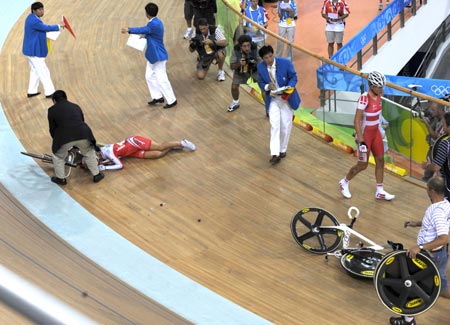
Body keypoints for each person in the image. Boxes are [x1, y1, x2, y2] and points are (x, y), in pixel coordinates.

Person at [389, 177, 450, 325]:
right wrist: (418, 223)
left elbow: (444, 238)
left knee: (412, 286)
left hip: (431, 256)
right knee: (440, 286)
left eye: (427, 188)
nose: (426, 191)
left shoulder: (436, 212)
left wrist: (420, 247)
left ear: (432, 191)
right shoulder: (446, 203)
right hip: (440, 254)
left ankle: (409, 320)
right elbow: (438, 224)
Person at [338, 71, 395, 200]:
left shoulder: (379, 95)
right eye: (379, 87)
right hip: (365, 136)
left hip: (375, 134)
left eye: (382, 87)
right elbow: (356, 120)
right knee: (362, 165)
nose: (381, 89)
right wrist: (361, 140)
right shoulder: (364, 98)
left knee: (380, 161)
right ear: (371, 86)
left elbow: (377, 116)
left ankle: (380, 190)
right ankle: (344, 182)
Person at [121, 3, 177, 109]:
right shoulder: (156, 22)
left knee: (162, 79)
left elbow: (144, 29)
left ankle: (172, 100)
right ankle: (158, 96)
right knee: (149, 76)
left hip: (158, 56)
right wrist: (145, 35)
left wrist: (129, 30)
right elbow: (149, 32)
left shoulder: (153, 24)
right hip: (152, 56)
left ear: (147, 13)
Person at [47, 90, 104, 185]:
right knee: (89, 152)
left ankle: (61, 179)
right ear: (66, 97)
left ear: (54, 100)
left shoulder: (51, 110)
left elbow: (52, 129)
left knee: (57, 156)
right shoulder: (75, 106)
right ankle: (97, 175)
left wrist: (57, 142)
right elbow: (81, 120)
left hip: (64, 137)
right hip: (83, 133)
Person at [257, 45, 301, 165]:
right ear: (263, 59)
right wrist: (266, 86)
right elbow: (260, 82)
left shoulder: (285, 63)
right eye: (266, 58)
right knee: (274, 125)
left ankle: (283, 149)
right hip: (273, 99)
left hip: (286, 98)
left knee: (286, 126)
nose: (269, 59)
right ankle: (275, 153)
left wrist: (290, 87)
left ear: (273, 54)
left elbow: (294, 77)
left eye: (271, 56)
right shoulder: (260, 67)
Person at [22, 2, 65, 98]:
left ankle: (32, 91)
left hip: (30, 50)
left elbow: (42, 29)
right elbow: (46, 28)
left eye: (42, 9)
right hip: (34, 51)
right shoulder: (34, 21)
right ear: (34, 10)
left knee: (35, 71)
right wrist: (59, 26)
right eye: (40, 10)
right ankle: (50, 92)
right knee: (43, 71)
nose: (42, 11)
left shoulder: (31, 18)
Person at [98, 136, 196, 170]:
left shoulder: (109, 153)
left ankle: (183, 142)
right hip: (131, 151)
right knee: (158, 155)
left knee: (160, 147)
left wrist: (105, 168)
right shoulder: (103, 152)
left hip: (135, 142)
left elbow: (120, 165)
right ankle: (172, 147)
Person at [228, 35, 260, 112]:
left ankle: (268, 108)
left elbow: (261, 62)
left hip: (255, 69)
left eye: (248, 45)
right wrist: (239, 63)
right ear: (240, 46)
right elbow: (232, 66)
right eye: (244, 46)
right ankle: (235, 102)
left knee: (263, 86)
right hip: (241, 70)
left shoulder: (255, 48)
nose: (247, 48)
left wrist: (254, 62)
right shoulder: (235, 50)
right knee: (234, 86)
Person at [423, 112, 450, 199]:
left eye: (444, 125)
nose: (443, 127)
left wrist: (426, 166)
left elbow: (435, 167)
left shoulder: (445, 144)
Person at [421, 102, 445, 181]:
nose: (431, 111)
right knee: (427, 174)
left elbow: (435, 136)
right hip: (432, 149)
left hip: (439, 152)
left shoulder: (445, 122)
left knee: (435, 175)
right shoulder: (435, 119)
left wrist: (426, 123)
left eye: (433, 110)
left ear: (440, 110)